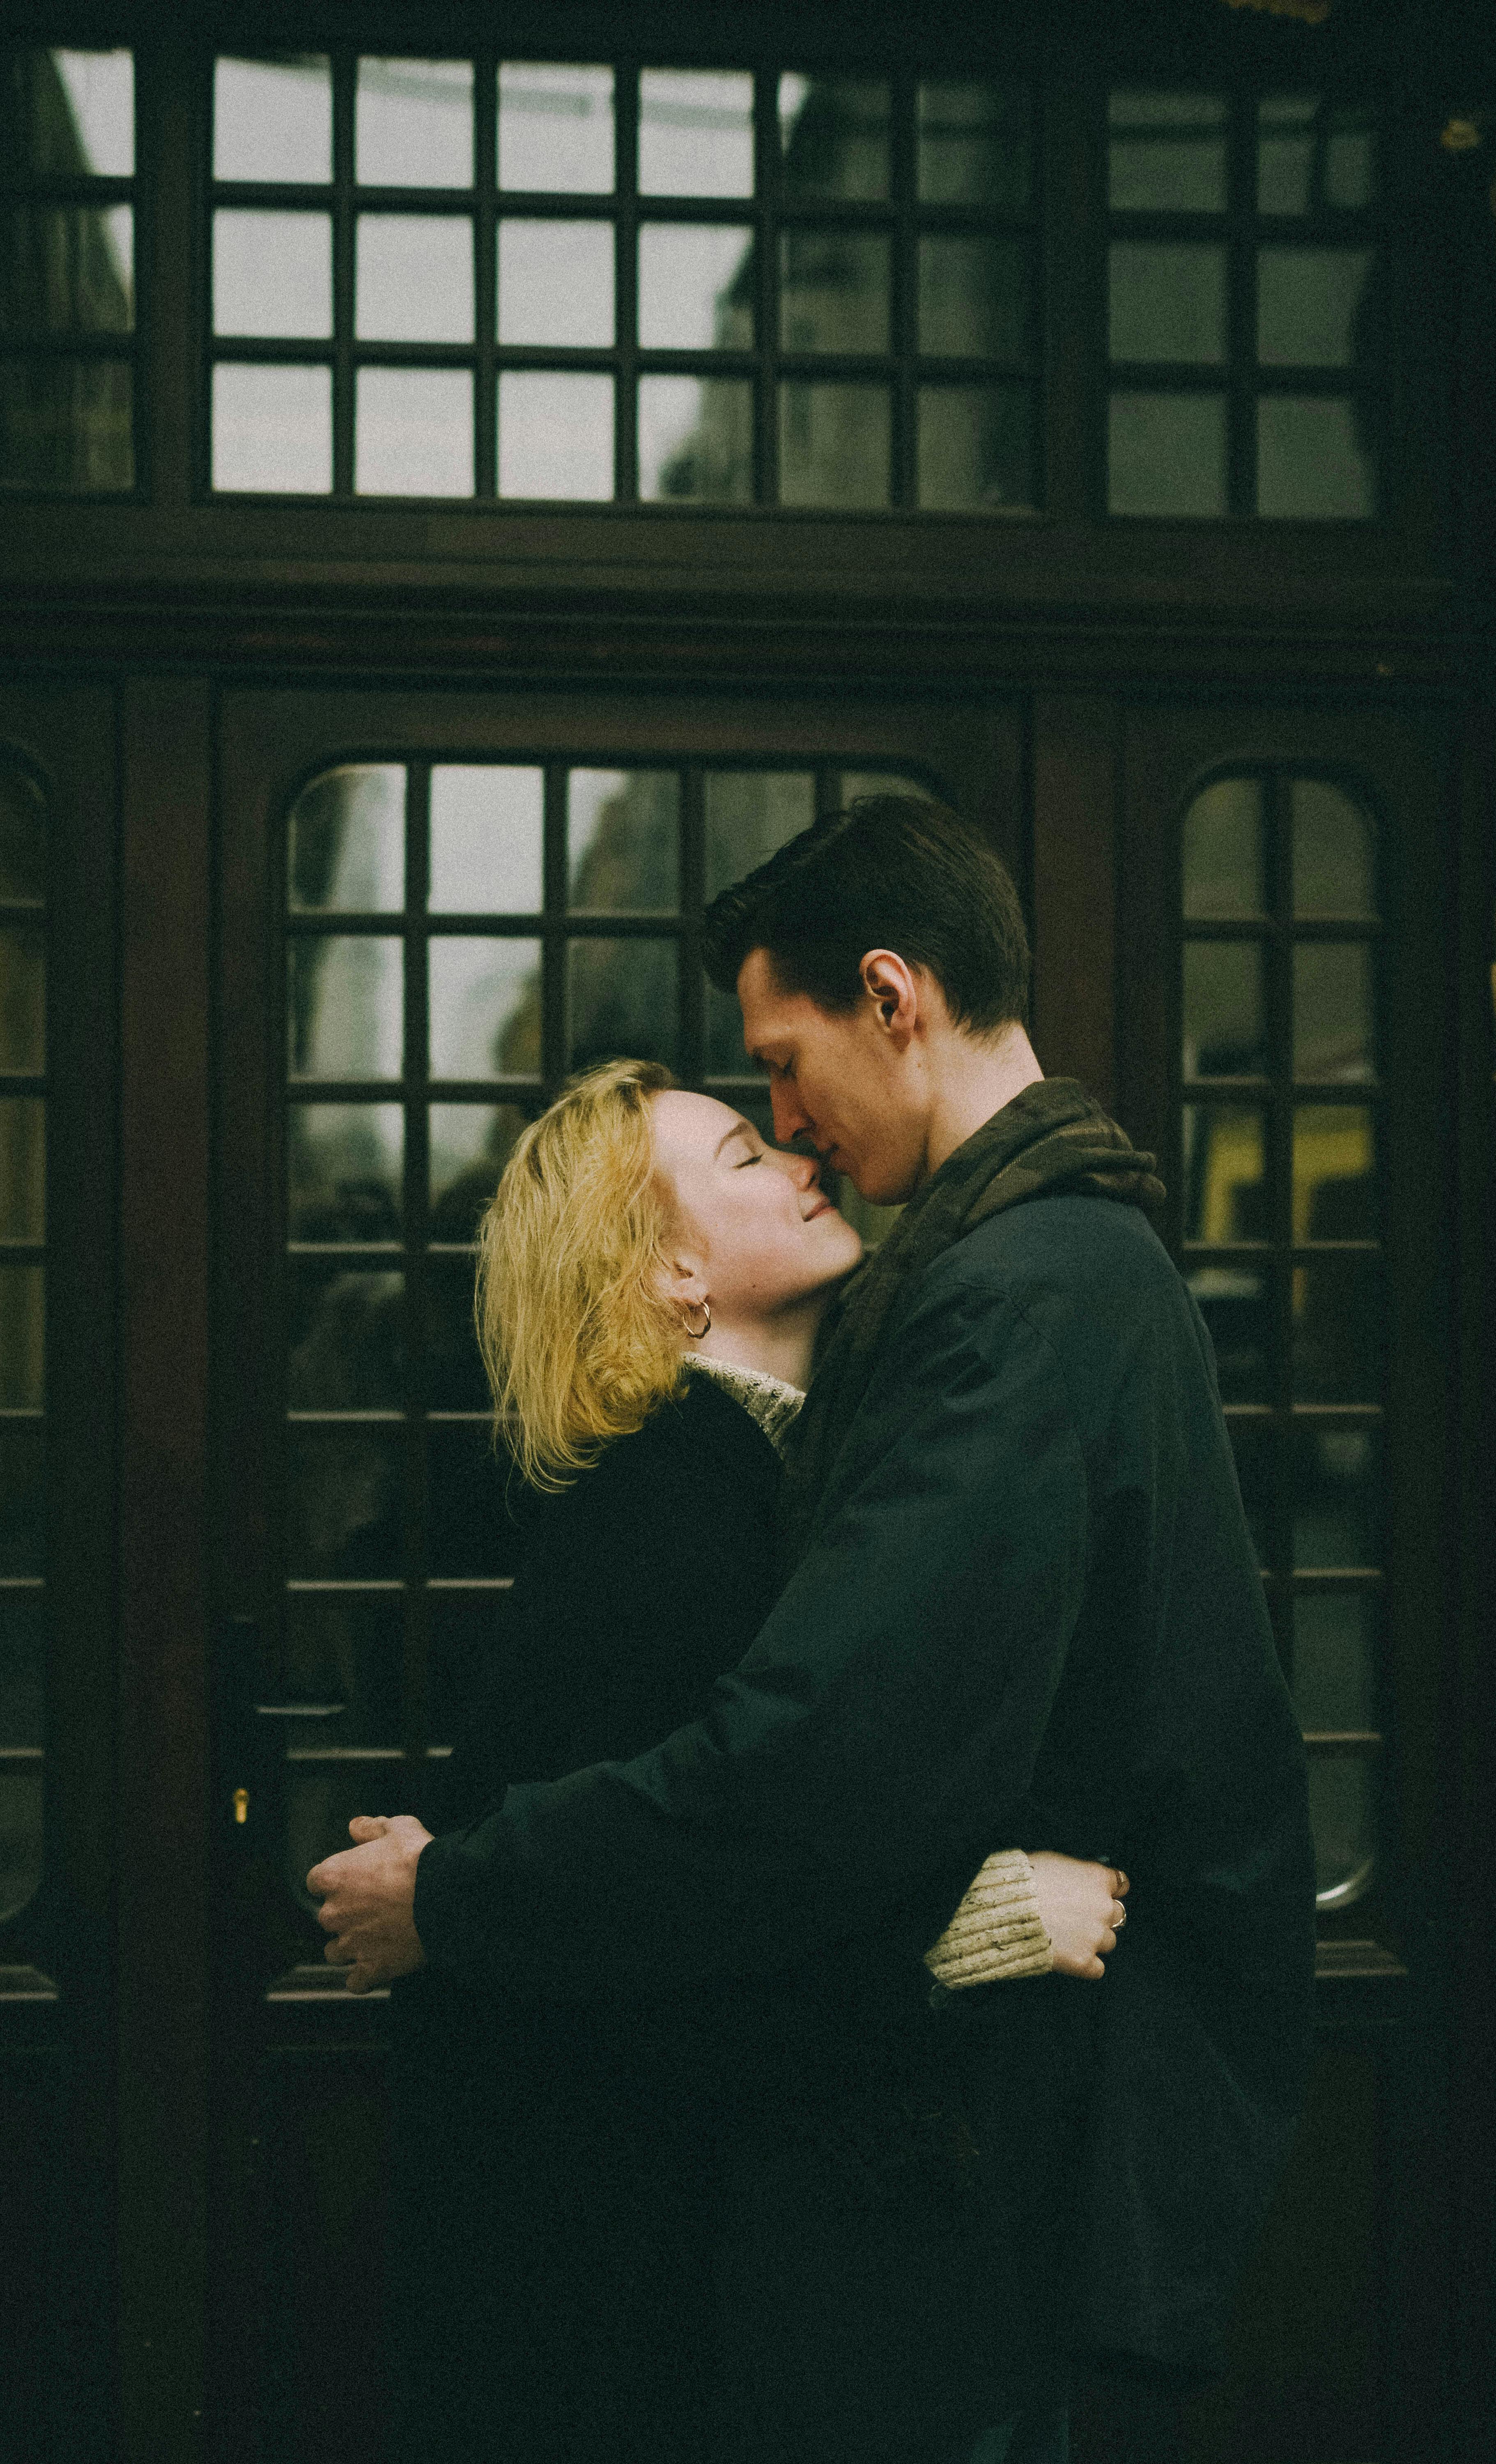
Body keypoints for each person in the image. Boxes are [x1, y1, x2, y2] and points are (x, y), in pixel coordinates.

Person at [312, 794, 1315, 2462]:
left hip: (966, 2145)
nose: (787, 1121)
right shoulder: (1042, 1268)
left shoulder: (1007, 1293)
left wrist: (463, 1887)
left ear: (892, 996)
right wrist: (966, 1912)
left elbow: (821, 1764)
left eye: (781, 1065)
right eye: (748, 1126)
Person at [382, 1057, 1129, 2464]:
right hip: (653, 2289)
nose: (803, 1157)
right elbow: (640, 1922)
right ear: (669, 1272)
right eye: (742, 1159)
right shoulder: (668, 1504)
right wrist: (978, 1922)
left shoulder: (756, 1474)